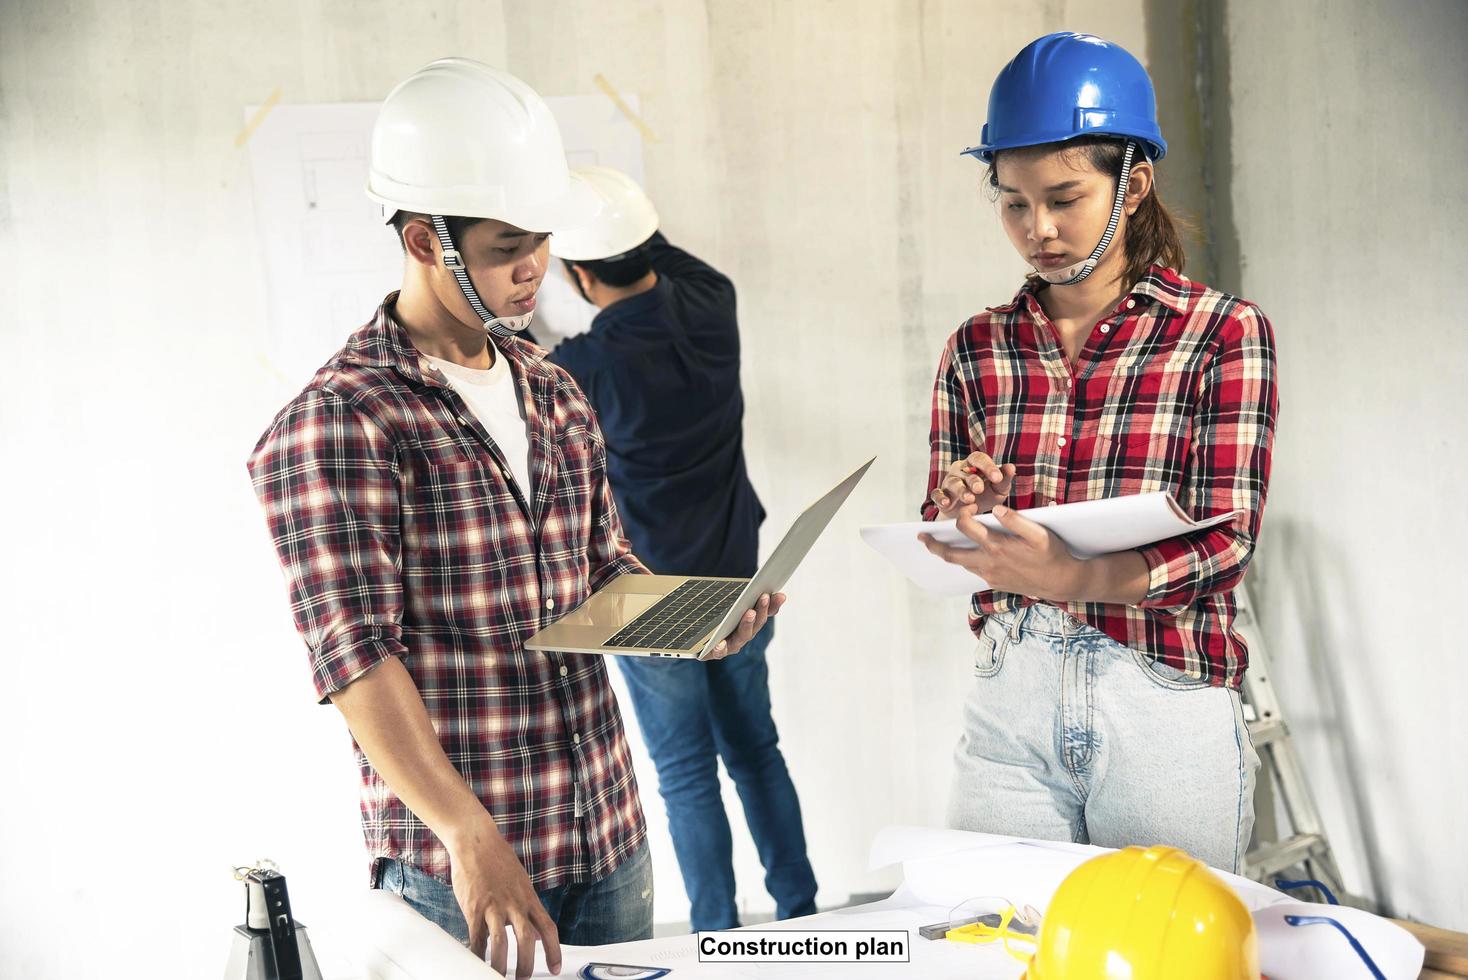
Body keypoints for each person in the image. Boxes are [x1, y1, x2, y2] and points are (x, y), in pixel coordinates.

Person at [246, 60, 780, 979]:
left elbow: (601, 582)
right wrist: (468, 836)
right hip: (462, 863)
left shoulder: (556, 390)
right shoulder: (341, 420)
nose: (534, 266)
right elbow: (354, 662)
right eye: (503, 246)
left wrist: (699, 621)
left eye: (540, 238)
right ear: (423, 238)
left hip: (607, 836)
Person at [918, 32, 1278, 874]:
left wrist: (1078, 578)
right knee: (1002, 947)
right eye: (1012, 202)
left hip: (1164, 697)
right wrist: (965, 505)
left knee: (1166, 958)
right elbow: (940, 525)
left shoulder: (1223, 333)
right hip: (1013, 688)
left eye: (1064, 197)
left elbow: (1225, 544)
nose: (1036, 228)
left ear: (1134, 183)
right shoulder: (976, 346)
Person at [546, 166, 818, 932]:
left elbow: (516, 366)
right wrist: (615, 215)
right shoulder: (713, 302)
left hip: (650, 596)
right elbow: (661, 256)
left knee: (688, 775)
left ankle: (715, 937)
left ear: (578, 274)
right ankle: (801, 917)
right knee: (756, 753)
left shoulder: (585, 368)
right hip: (741, 574)